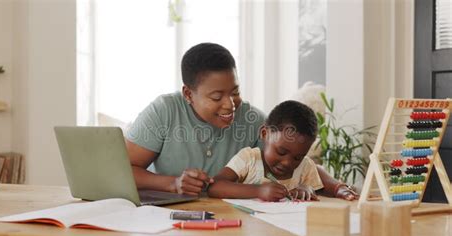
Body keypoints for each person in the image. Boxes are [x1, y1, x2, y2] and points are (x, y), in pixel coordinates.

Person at [124, 42, 358, 200]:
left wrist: (338, 187)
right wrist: (173, 184)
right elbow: (124, 170)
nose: (230, 104)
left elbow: (300, 163)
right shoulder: (163, 112)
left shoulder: (254, 120)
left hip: (229, 217)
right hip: (163, 217)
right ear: (188, 94)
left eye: (235, 92)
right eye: (217, 96)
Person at [208, 100, 323, 201]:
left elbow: (319, 192)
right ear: (264, 133)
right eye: (281, 152)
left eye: (297, 158)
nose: (287, 162)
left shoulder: (305, 166)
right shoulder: (249, 158)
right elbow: (215, 187)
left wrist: (307, 189)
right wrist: (259, 191)